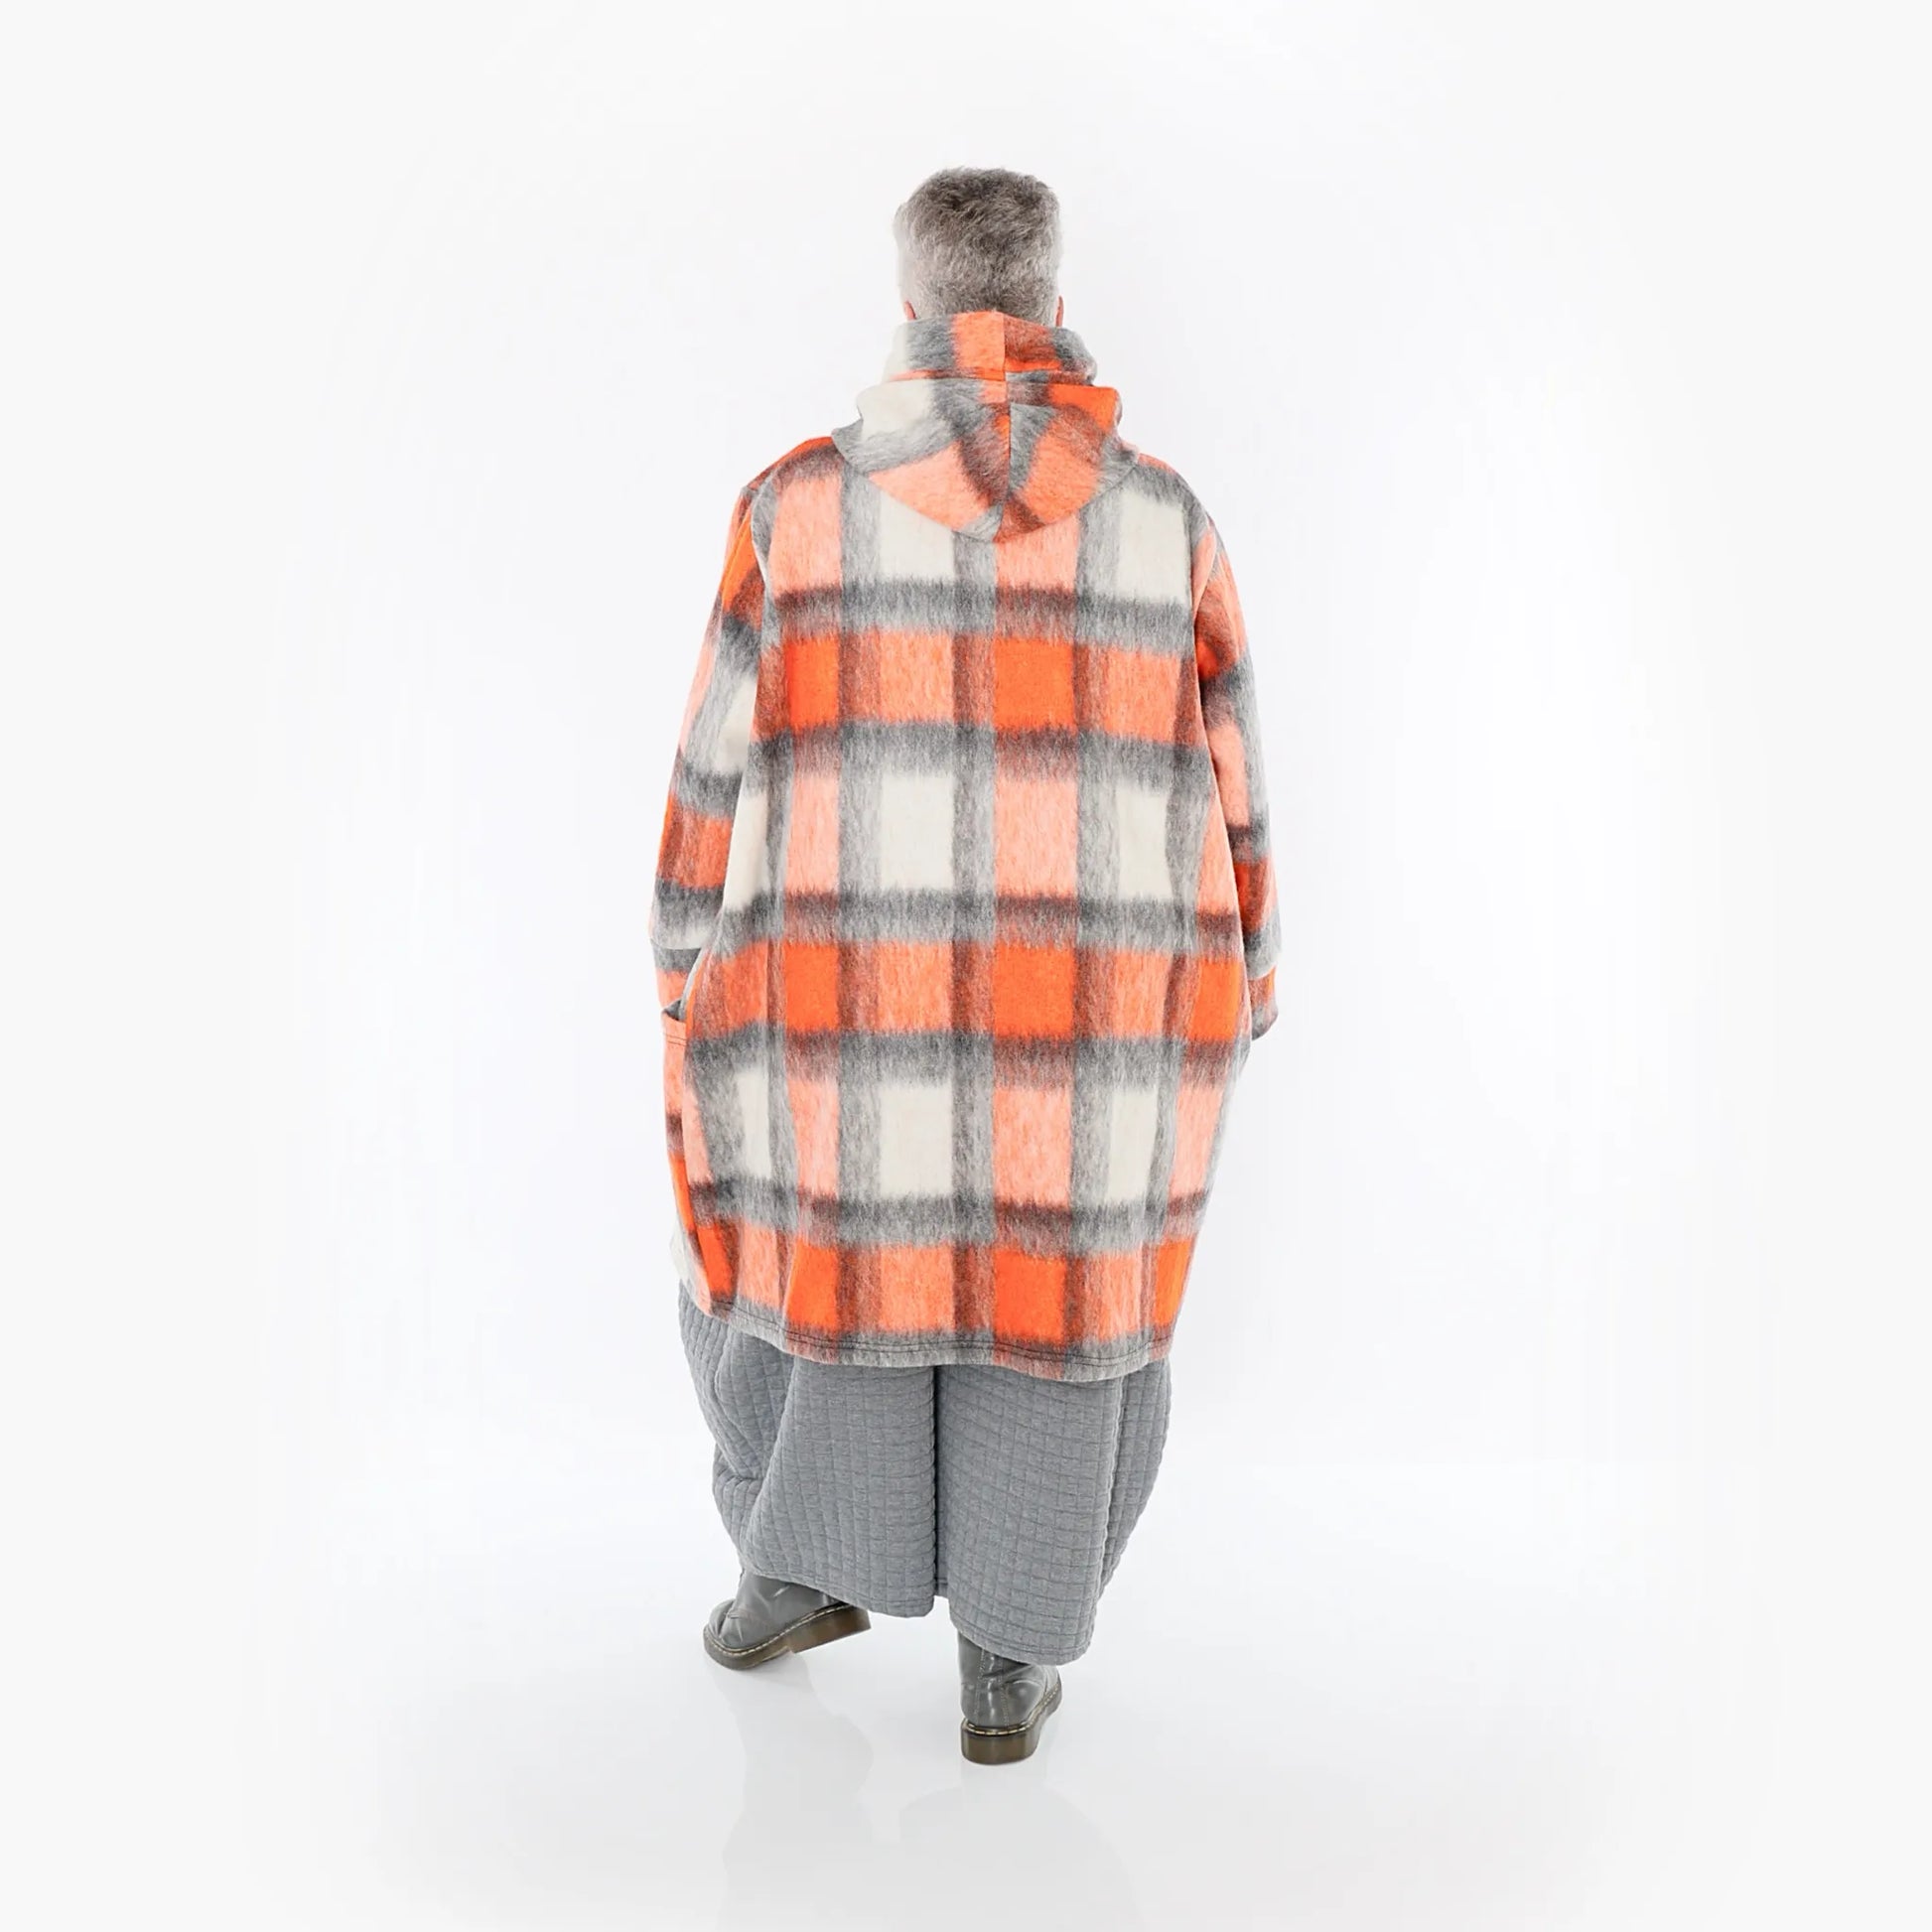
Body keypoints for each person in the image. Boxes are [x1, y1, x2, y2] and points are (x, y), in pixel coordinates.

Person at [650, 165, 1279, 1764]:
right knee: (1054, 1294)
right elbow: (1233, 785)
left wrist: (678, 962)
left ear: (909, 305)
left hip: (839, 1009)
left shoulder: (792, 507)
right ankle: (1006, 1657)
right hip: (1092, 1026)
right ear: (1055, 302)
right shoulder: (1164, 519)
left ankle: (794, 1567)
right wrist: (1251, 979)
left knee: (818, 1253)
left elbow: (710, 773)